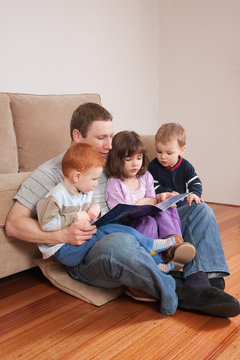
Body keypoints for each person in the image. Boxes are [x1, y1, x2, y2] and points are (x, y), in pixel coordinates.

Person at [5, 102, 239, 318]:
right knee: (121, 243)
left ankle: (206, 279)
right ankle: (184, 292)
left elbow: (142, 178)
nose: (109, 145)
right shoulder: (50, 173)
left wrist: (160, 197)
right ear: (78, 136)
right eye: (101, 138)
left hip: (133, 224)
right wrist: (62, 235)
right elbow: (15, 224)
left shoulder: (112, 160)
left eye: (111, 136)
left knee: (199, 210)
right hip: (92, 250)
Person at [36, 142, 181, 271]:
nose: (96, 184)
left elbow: (90, 208)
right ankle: (151, 246)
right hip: (66, 250)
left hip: (84, 239)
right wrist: (75, 217)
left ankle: (158, 264)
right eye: (94, 179)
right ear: (77, 177)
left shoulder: (84, 190)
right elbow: (47, 224)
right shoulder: (56, 195)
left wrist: (96, 209)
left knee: (117, 230)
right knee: (113, 231)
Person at [105, 130, 195, 269]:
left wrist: (159, 198)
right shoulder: (115, 183)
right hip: (130, 225)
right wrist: (139, 204)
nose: (135, 164)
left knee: (167, 209)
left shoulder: (145, 176)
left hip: (147, 212)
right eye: (129, 160)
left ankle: (174, 246)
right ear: (117, 160)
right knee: (149, 221)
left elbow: (152, 199)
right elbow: (118, 214)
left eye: (139, 158)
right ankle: (153, 260)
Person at [149, 123, 202, 207]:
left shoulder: (186, 166)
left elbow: (195, 183)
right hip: (161, 202)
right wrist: (169, 192)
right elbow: (152, 186)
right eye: (159, 152)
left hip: (180, 202)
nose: (163, 157)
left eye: (169, 153)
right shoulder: (153, 166)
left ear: (182, 150)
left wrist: (194, 194)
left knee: (199, 206)